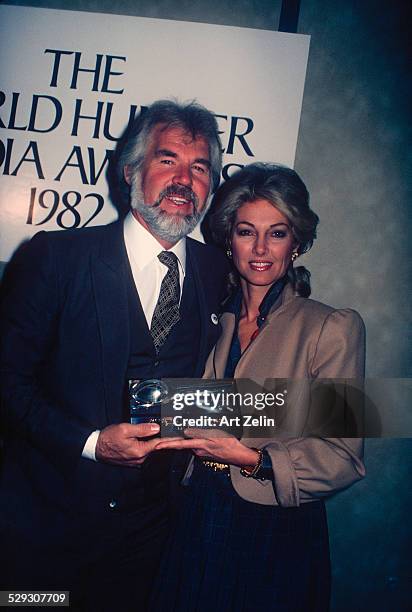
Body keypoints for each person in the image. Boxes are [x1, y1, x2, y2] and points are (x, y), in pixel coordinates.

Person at [0, 100, 229, 610]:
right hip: (45, 528)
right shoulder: (56, 258)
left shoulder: (220, 273)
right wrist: (90, 443)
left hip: (151, 535)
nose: (183, 179)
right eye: (167, 160)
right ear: (130, 171)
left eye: (199, 168)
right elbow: (7, 382)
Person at [153, 163, 366, 612]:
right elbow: (191, 411)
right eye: (247, 232)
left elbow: (342, 457)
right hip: (197, 514)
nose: (261, 249)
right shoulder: (212, 317)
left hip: (274, 526)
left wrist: (253, 459)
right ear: (228, 239)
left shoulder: (332, 326)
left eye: (278, 233)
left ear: (298, 242)